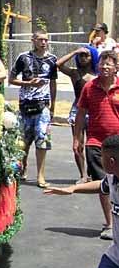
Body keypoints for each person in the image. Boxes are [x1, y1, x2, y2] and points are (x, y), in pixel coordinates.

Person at [45, 135, 119, 268]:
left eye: (103, 157)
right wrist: (73, 189)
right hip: (115, 257)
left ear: (112, 161)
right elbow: (101, 185)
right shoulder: (113, 179)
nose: (100, 160)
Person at [74, 51, 119, 241]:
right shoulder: (89, 87)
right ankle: (109, 224)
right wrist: (77, 138)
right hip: (96, 142)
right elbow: (80, 113)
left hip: (118, 143)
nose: (105, 67)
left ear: (116, 67)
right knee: (104, 182)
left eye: (109, 64)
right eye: (102, 64)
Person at [9, 29, 57, 187]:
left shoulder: (52, 60)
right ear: (33, 40)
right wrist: (28, 83)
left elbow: (53, 83)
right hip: (25, 106)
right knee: (23, 141)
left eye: (46, 40)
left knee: (42, 140)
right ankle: (22, 168)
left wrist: (52, 107)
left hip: (42, 106)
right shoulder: (24, 58)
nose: (44, 42)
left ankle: (40, 176)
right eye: (40, 39)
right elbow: (11, 79)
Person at [58, 45, 99, 182]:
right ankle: (83, 175)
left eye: (86, 55)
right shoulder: (75, 73)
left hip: (95, 111)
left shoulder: (97, 75)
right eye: (80, 55)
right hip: (78, 110)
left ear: (92, 56)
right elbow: (58, 64)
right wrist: (75, 51)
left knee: (94, 145)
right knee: (78, 145)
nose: (83, 58)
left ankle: (95, 173)